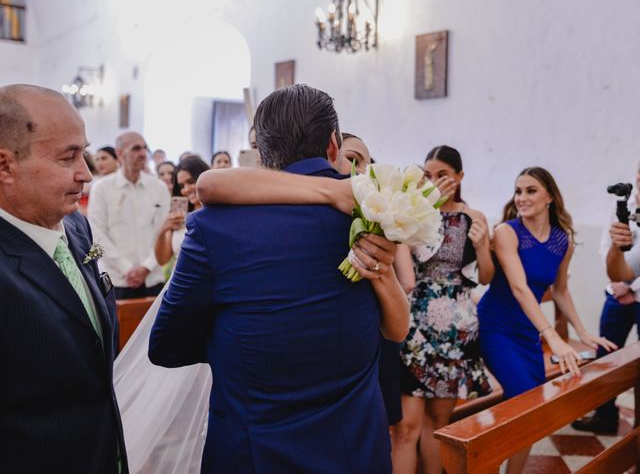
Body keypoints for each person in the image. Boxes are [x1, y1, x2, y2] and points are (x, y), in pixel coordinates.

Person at [149, 84, 408, 473]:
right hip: (357, 450)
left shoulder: (213, 228)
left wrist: (241, 339)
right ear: (334, 146)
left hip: (256, 452)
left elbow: (167, 345)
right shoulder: (370, 221)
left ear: (262, 154)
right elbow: (393, 329)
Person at [0, 84, 128, 473]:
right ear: (5, 166)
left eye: (84, 153)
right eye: (67, 157)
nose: (86, 173)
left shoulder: (76, 227)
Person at [477, 166, 616, 474]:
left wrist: (583, 332)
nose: (522, 197)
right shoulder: (506, 232)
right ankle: (484, 465)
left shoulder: (560, 239)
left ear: (549, 197)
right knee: (523, 402)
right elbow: (519, 287)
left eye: (531, 190)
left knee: (534, 410)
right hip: (496, 328)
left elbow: (561, 290)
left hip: (528, 332)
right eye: (518, 191)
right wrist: (552, 338)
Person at [392, 146, 494, 474]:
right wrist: (425, 207)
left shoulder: (473, 217)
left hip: (456, 327)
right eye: (428, 175)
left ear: (460, 177)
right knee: (406, 425)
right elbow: (408, 265)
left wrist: (481, 247)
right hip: (416, 323)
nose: (434, 181)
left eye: (442, 175)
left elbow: (487, 276)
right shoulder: (414, 213)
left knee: (438, 422)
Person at [573, 170, 640, 434]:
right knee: (606, 355)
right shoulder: (622, 203)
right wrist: (622, 283)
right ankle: (605, 415)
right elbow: (609, 249)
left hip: (633, 290)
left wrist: (631, 287)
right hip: (618, 292)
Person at [88, 131, 170, 299]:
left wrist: (146, 267)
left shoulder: (158, 188)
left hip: (152, 278)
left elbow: (163, 232)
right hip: (117, 280)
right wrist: (126, 268)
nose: (143, 153)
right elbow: (97, 235)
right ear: (119, 153)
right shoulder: (102, 189)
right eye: (136, 148)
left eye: (144, 148)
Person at [155, 156, 209, 267]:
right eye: (181, 186)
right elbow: (162, 260)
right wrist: (162, 232)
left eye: (191, 181)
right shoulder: (179, 215)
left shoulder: (219, 212)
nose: (186, 189)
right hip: (179, 280)